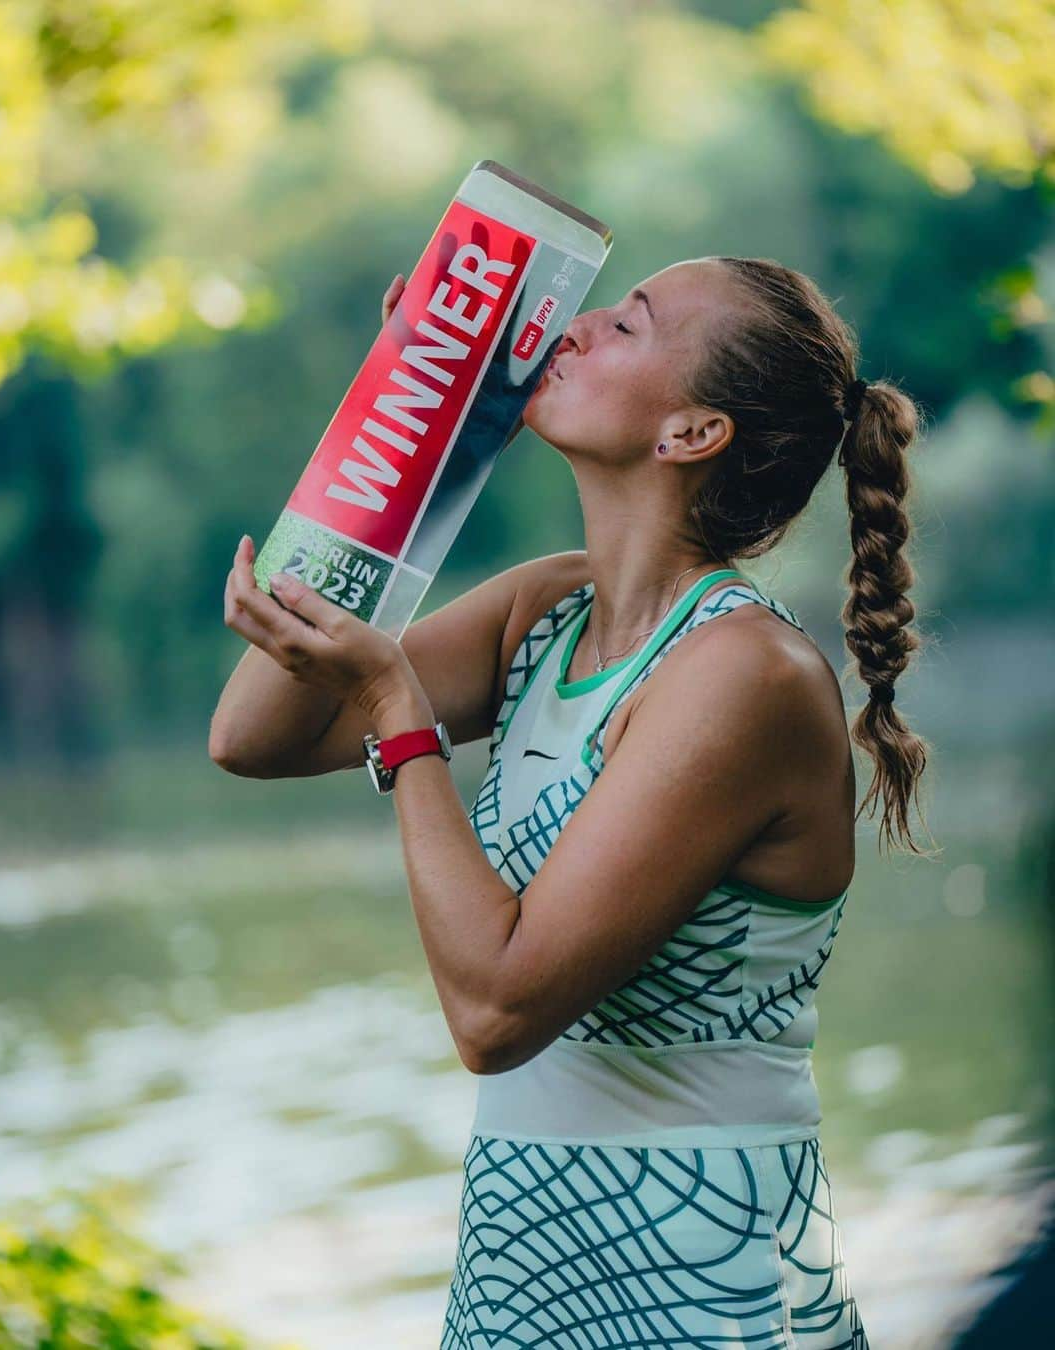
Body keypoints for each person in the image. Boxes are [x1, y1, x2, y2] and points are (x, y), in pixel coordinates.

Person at [213, 257, 936, 1347]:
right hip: (523, 1257)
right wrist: (418, 437)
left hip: (697, 1273)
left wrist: (396, 712)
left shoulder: (746, 674)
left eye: (630, 323)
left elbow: (497, 1011)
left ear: (693, 432)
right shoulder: (547, 612)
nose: (581, 322)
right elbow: (255, 735)